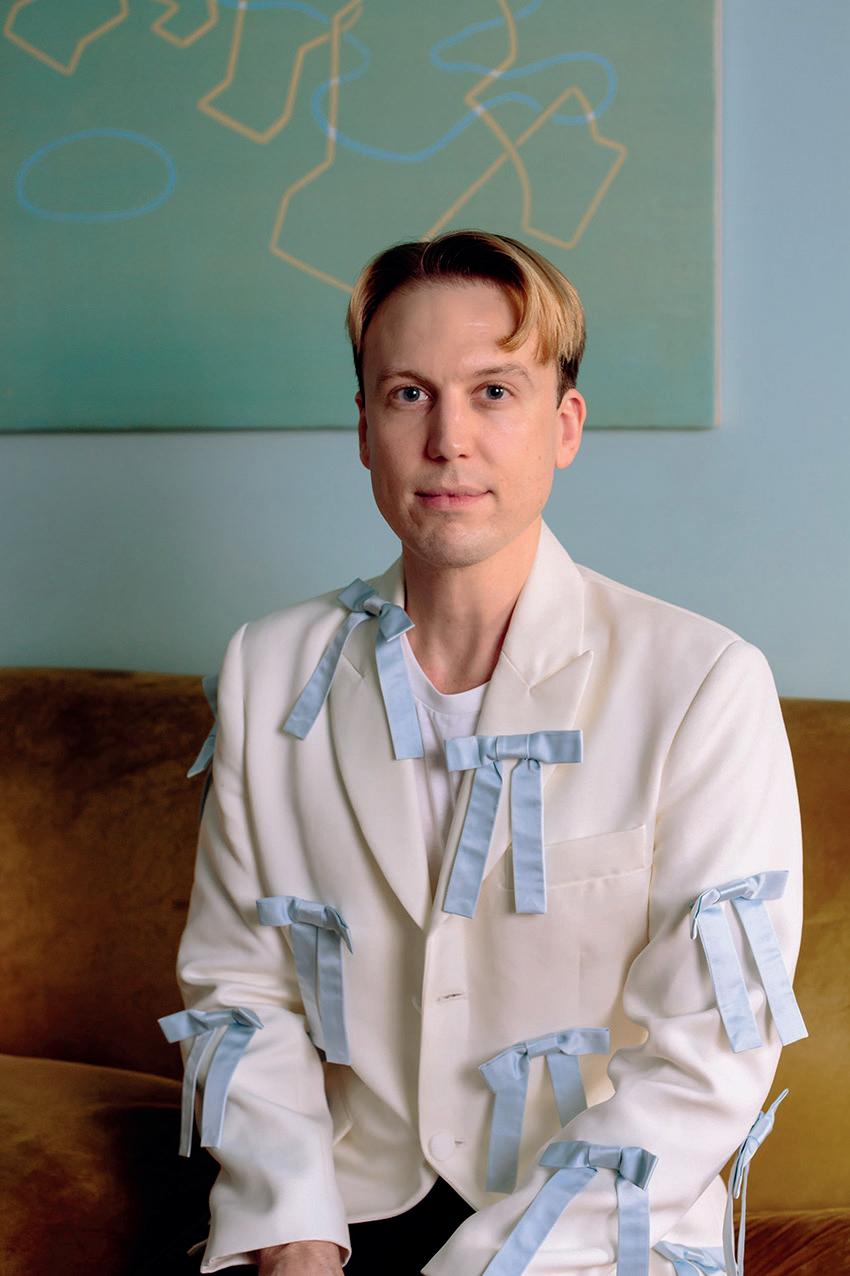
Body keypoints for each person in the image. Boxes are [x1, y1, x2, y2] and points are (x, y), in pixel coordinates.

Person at [160, 230, 806, 1276]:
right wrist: (294, 1232)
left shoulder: (702, 683)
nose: (448, 439)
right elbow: (241, 986)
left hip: (590, 1235)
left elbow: (706, 1055)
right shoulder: (267, 669)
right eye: (408, 394)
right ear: (363, 429)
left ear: (564, 425)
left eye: (494, 392)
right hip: (341, 1210)